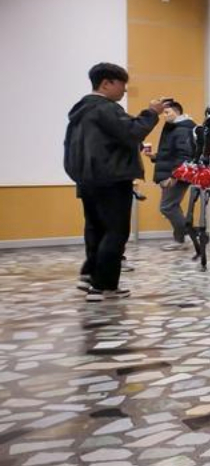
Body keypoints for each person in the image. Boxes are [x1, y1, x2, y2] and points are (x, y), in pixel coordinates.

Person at [63, 63, 164, 301]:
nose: (125, 91)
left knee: (95, 228)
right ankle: (104, 286)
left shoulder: (81, 111)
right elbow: (132, 131)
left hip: (88, 179)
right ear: (107, 83)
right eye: (122, 84)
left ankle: (90, 275)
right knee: (116, 231)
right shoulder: (105, 109)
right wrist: (152, 112)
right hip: (111, 178)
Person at [148, 100, 195, 250]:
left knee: (167, 207)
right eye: (164, 113)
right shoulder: (175, 127)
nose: (165, 115)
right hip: (174, 172)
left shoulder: (182, 129)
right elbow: (171, 153)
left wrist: (174, 176)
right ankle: (181, 238)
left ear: (177, 111)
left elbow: (184, 155)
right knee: (172, 206)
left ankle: (183, 239)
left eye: (168, 112)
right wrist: (154, 156)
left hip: (177, 174)